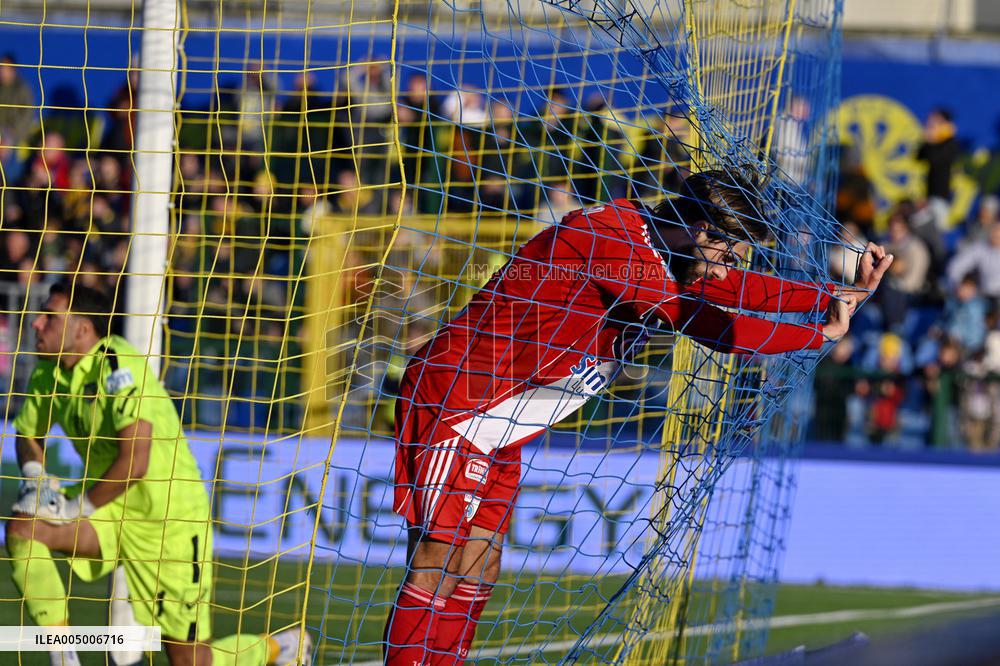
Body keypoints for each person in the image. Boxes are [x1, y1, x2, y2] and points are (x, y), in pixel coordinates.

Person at [382, 169, 893, 664]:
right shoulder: (613, 241)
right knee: (439, 561)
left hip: (503, 419)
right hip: (457, 401)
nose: (722, 270)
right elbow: (712, 326)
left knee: (480, 562)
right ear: (701, 230)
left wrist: (834, 296)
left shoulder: (664, 250)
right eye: (725, 256)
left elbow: (734, 289)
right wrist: (818, 334)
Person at [5, 281, 312, 666]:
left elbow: (135, 462)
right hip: (110, 510)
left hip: (169, 522)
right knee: (24, 527)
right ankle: (63, 658)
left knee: (189, 660)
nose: (36, 322)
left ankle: (278, 648)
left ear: (82, 329)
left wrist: (73, 508)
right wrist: (35, 475)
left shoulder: (117, 365)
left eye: (50, 316)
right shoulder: (47, 374)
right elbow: (27, 433)